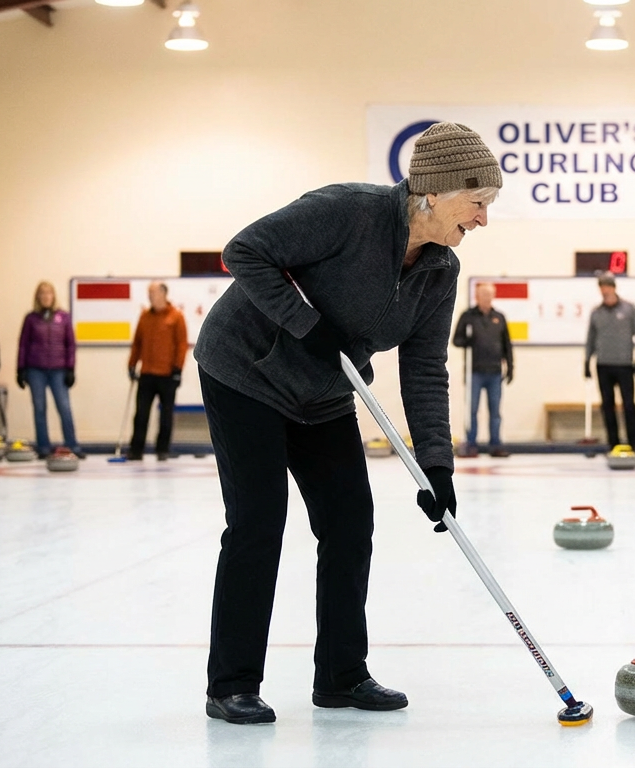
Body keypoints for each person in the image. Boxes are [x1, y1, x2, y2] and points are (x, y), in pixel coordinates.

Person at [192, 121, 498, 725]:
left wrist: (437, 461)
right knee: (258, 521)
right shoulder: (346, 212)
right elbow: (244, 251)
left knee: (350, 522)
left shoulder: (439, 271)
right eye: (479, 203)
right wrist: (307, 326)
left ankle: (341, 674)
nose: (484, 220)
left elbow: (425, 368)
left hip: (325, 394)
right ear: (434, 191)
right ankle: (231, 683)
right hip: (246, 373)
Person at [16, 281, 82, 458]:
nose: (46, 296)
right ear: (38, 297)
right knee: (39, 408)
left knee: (64, 407)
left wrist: (71, 369)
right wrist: (20, 369)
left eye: (49, 293)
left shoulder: (63, 317)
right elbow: (23, 344)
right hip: (35, 369)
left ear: (53, 296)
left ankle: (72, 446)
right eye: (42, 293)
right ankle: (43, 447)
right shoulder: (31, 319)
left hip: (59, 370)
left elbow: (70, 345)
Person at [584, 272, 635, 451]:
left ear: (612, 288)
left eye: (606, 287)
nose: (604, 292)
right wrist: (587, 361)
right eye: (601, 288)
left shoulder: (628, 309)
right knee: (607, 406)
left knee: (628, 405)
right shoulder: (596, 313)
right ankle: (614, 443)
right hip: (603, 364)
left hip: (625, 365)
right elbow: (591, 339)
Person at [126, 282, 189, 461]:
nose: (150, 296)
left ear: (163, 294)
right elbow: (137, 343)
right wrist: (132, 364)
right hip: (147, 373)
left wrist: (178, 369)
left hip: (167, 374)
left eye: (153, 292)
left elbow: (181, 345)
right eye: (149, 293)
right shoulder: (145, 316)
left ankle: (162, 449)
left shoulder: (176, 317)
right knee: (141, 414)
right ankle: (136, 450)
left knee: (166, 415)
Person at [451, 282, 513, 458]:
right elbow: (457, 339)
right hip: (475, 372)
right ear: (476, 297)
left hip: (494, 372)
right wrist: (468, 341)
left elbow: (507, 345)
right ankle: (471, 444)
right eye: (483, 295)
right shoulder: (468, 316)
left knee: (495, 411)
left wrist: (510, 367)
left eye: (489, 295)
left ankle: (495, 444)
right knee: (472, 409)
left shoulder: (499, 317)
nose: (486, 298)